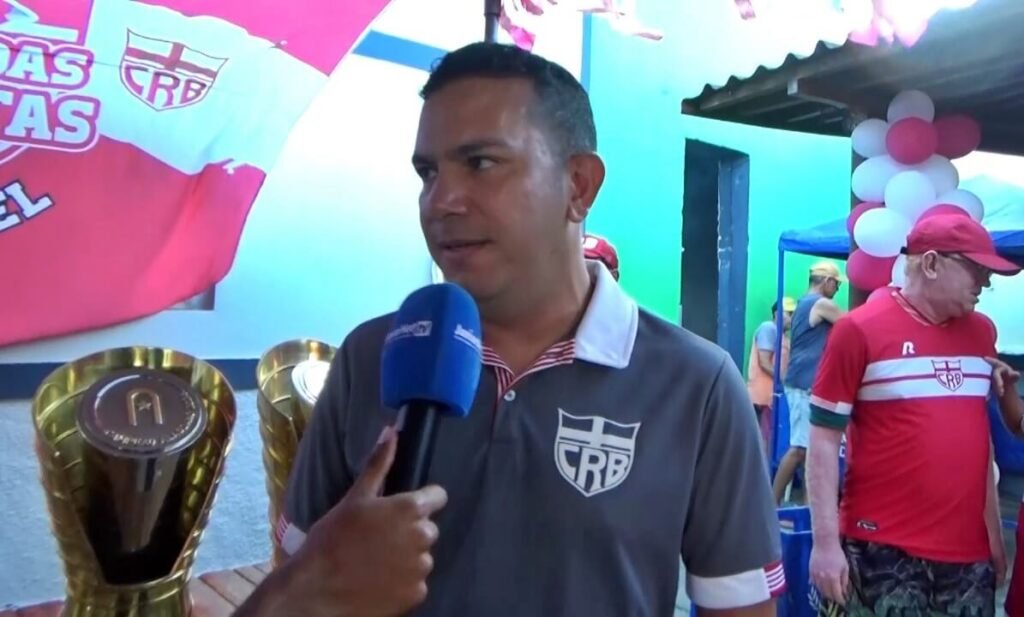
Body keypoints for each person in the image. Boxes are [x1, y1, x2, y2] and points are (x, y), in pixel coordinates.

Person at [234, 42, 784, 617]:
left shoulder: (696, 385)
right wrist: (326, 578)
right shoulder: (370, 357)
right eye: (428, 172)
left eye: (480, 163)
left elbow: (739, 608)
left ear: (578, 186)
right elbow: (293, 573)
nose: (440, 202)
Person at [806, 213, 1023, 616]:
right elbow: (822, 441)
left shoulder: (982, 333)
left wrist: (992, 533)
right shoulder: (858, 330)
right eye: (976, 269)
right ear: (932, 263)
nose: (986, 282)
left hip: (966, 558)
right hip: (881, 551)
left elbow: (978, 443)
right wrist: (825, 544)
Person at [773, 261, 845, 504]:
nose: (837, 290)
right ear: (827, 281)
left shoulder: (803, 303)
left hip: (803, 381)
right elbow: (853, 326)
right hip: (804, 383)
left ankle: (806, 507)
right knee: (800, 449)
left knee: (810, 451)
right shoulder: (820, 304)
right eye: (837, 285)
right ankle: (770, 504)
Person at [748, 297, 796, 455]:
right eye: (789, 313)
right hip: (764, 396)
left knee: (771, 437)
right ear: (777, 313)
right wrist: (784, 381)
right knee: (765, 439)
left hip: (773, 397)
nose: (792, 318)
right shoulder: (769, 329)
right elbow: (764, 362)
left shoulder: (784, 337)